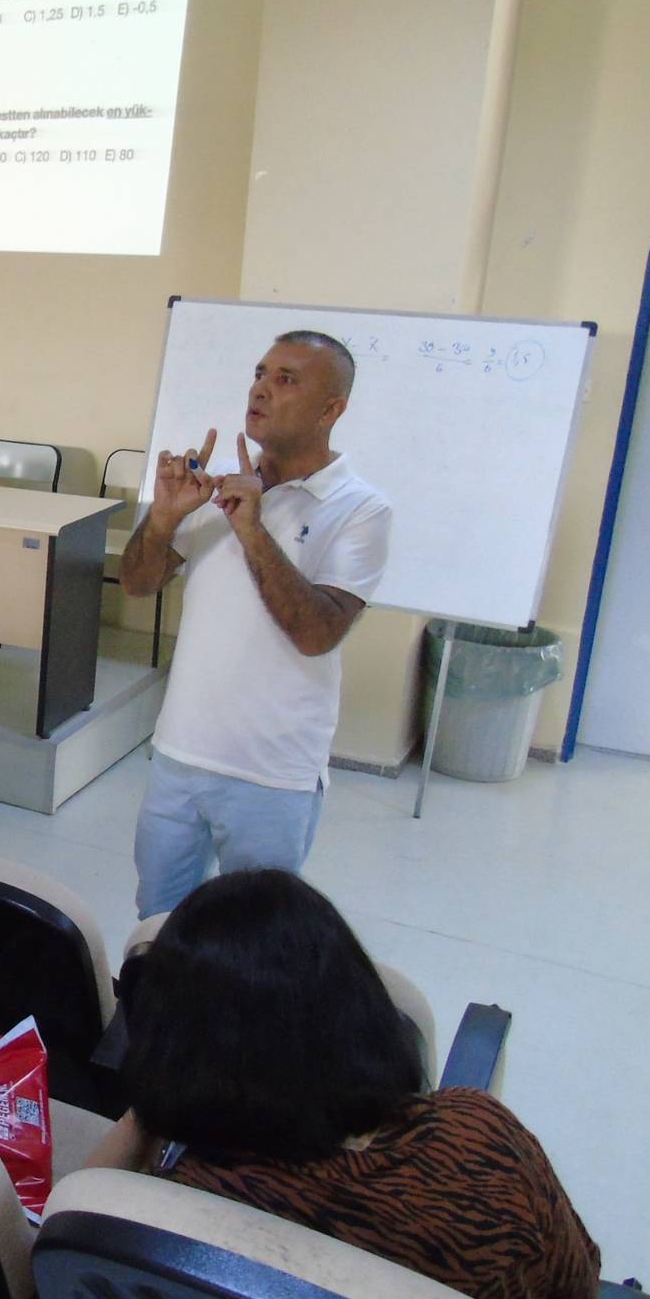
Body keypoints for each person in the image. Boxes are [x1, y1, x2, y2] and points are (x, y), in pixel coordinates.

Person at [89, 870, 602, 1299]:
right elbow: (581, 1293)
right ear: (360, 1002)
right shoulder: (481, 1142)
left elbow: (72, 1222)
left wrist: (159, 1093)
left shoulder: (183, 1210)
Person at [120, 331, 392, 918]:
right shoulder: (216, 487)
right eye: (260, 374)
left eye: (286, 379)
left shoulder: (361, 509)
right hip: (180, 751)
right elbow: (138, 583)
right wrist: (163, 519)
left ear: (331, 410)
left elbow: (317, 633)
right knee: (159, 923)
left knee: (253, 937)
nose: (261, 390)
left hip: (271, 772)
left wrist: (253, 529)